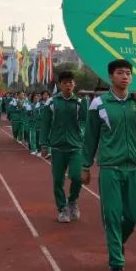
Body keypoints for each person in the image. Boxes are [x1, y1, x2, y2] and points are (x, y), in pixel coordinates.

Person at [81, 59, 136, 271]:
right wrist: (85, 166)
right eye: (120, 73)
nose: (125, 76)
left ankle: (117, 244)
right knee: (111, 216)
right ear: (111, 77)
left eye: (128, 73)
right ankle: (116, 263)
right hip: (110, 169)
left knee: (132, 215)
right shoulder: (98, 103)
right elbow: (90, 137)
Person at [40, 71, 87, 223]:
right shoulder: (51, 102)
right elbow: (45, 124)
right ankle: (62, 208)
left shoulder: (80, 103)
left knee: (76, 177)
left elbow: (86, 122)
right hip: (58, 147)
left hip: (75, 147)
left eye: (71, 82)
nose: (68, 85)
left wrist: (82, 134)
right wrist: (44, 144)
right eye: (65, 82)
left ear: (74, 84)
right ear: (59, 85)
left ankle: (72, 200)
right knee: (58, 181)